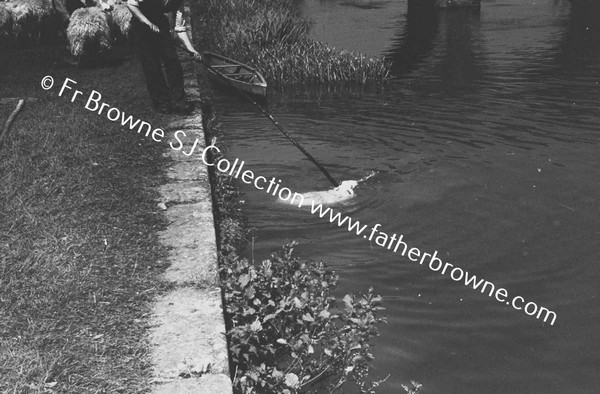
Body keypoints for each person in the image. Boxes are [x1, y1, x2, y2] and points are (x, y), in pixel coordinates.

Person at [126, 0, 198, 115]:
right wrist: (147, 22)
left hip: (160, 23)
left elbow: (180, 28)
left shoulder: (178, 3)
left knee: (172, 60)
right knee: (151, 65)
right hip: (141, 26)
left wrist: (190, 49)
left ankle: (179, 102)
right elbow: (131, 4)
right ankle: (162, 102)